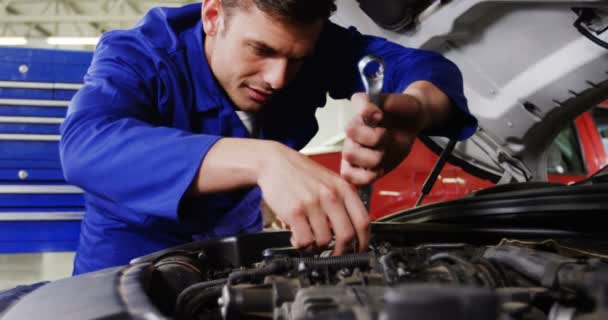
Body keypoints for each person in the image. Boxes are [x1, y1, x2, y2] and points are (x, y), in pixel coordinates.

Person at [60, 0, 477, 275]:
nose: (277, 78)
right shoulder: (140, 53)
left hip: (238, 255)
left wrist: (418, 108)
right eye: (260, 50)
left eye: (297, 60)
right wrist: (263, 160)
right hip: (125, 260)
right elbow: (85, 144)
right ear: (212, 15)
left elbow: (422, 65)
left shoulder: (309, 43)